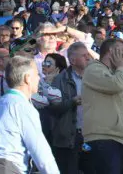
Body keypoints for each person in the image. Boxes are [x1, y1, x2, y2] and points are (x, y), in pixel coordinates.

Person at [0, 55, 59, 174]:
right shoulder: (23, 107)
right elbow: (40, 150)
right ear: (27, 78)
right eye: (37, 74)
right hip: (6, 168)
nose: (39, 78)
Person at [82, 38, 123, 174]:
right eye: (122, 51)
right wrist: (121, 67)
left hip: (119, 139)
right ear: (111, 51)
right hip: (103, 139)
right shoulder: (93, 69)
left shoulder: (116, 73)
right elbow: (115, 85)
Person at [47, 42, 91, 174]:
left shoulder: (95, 77)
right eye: (84, 55)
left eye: (88, 54)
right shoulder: (59, 80)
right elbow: (53, 108)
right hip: (69, 138)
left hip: (91, 135)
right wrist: (71, 102)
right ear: (72, 60)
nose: (88, 58)